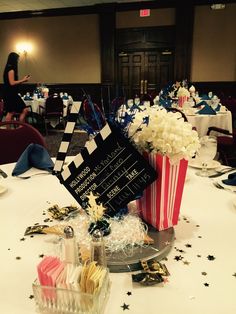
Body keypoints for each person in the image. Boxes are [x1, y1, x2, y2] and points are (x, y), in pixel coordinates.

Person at [3, 52, 30, 123]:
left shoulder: (8, 68)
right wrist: (23, 80)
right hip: (11, 94)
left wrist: (22, 80)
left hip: (11, 94)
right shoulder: (11, 69)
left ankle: (19, 128)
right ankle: (11, 131)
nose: (18, 61)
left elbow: (12, 82)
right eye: (17, 59)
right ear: (14, 60)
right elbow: (12, 83)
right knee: (11, 112)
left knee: (21, 110)